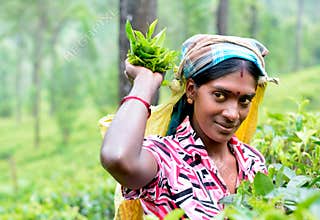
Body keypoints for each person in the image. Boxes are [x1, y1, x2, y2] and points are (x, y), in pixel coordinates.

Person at [100, 34, 277, 219]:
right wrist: (144, 81)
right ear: (191, 90)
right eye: (219, 95)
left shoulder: (252, 161)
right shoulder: (166, 159)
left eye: (244, 100)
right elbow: (117, 158)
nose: (233, 113)